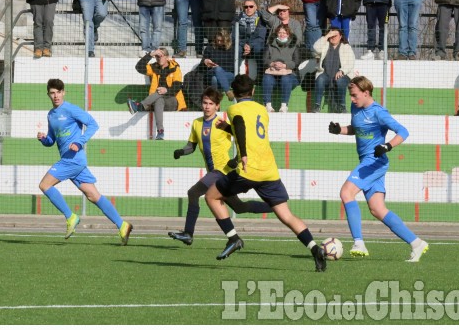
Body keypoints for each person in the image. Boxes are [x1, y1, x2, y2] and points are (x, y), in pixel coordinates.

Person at [203, 74, 327, 272]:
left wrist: (242, 154)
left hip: (248, 169)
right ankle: (315, 249)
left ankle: (233, 238)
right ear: (253, 92)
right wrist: (229, 128)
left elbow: (242, 127)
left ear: (233, 94)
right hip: (269, 170)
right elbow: (249, 131)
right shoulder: (262, 110)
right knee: (286, 215)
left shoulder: (234, 108)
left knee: (211, 196)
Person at [328, 76, 428, 262]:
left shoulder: (379, 112)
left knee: (346, 193)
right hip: (367, 162)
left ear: (366, 93)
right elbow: (356, 129)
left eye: (355, 96)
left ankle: (359, 242)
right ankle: (416, 243)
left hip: (374, 162)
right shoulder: (356, 107)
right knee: (377, 209)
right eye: (351, 96)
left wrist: (388, 146)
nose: (352, 99)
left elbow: (403, 132)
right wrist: (339, 130)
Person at [168, 87, 272, 245]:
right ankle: (274, 207)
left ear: (217, 106)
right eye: (204, 103)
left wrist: (237, 159)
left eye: (211, 103)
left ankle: (188, 233)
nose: (207, 106)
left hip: (222, 171)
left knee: (193, 193)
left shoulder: (222, 123)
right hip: (215, 174)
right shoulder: (197, 123)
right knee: (239, 207)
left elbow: (243, 141)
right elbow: (191, 146)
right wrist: (181, 151)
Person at [37, 79, 132, 244]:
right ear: (48, 94)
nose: (56, 96)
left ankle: (71, 216)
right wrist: (44, 139)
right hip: (70, 160)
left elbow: (93, 125)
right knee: (93, 195)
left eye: (59, 92)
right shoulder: (51, 115)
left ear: (64, 92)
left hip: (73, 160)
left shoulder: (71, 109)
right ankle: (122, 225)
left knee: (45, 185)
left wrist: (80, 142)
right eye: (52, 93)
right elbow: (52, 140)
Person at [128, 48, 186, 140]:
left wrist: (166, 90)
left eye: (161, 56)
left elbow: (177, 86)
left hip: (173, 100)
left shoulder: (175, 68)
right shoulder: (154, 67)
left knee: (159, 93)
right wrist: (151, 54)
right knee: (159, 99)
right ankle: (160, 132)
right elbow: (139, 67)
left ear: (167, 57)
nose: (159, 59)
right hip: (158, 101)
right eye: (157, 57)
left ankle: (140, 106)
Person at [312, 29, 355, 113]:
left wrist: (342, 71)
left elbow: (351, 62)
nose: (333, 37)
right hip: (326, 74)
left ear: (340, 36)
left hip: (343, 75)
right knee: (320, 79)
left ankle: (342, 106)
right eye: (331, 35)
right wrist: (327, 36)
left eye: (335, 35)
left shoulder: (346, 47)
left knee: (340, 80)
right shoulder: (325, 45)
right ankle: (317, 105)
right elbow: (316, 48)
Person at [261, 25, 301, 113]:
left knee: (286, 79)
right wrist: (272, 63)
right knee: (267, 78)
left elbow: (296, 62)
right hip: (272, 74)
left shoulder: (294, 46)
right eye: (280, 32)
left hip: (290, 75)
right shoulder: (270, 45)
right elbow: (264, 60)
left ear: (288, 34)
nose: (282, 35)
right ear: (276, 34)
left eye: (284, 33)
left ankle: (284, 105)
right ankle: (267, 105)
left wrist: (284, 65)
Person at [235, 0, 268, 76]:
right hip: (242, 44)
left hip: (255, 44)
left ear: (255, 7)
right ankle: (236, 75)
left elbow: (261, 37)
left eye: (251, 6)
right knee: (236, 49)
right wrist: (244, 45)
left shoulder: (261, 19)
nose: (248, 9)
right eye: (246, 7)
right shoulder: (238, 19)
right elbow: (234, 36)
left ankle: (260, 76)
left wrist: (250, 45)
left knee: (259, 48)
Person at [202, 29, 237, 101]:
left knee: (215, 78)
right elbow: (202, 63)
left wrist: (220, 69)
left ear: (226, 40)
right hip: (211, 72)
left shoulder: (231, 49)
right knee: (216, 71)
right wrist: (205, 61)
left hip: (227, 73)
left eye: (221, 41)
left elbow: (233, 66)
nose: (219, 42)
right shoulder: (210, 47)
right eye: (217, 40)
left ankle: (215, 100)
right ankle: (227, 91)